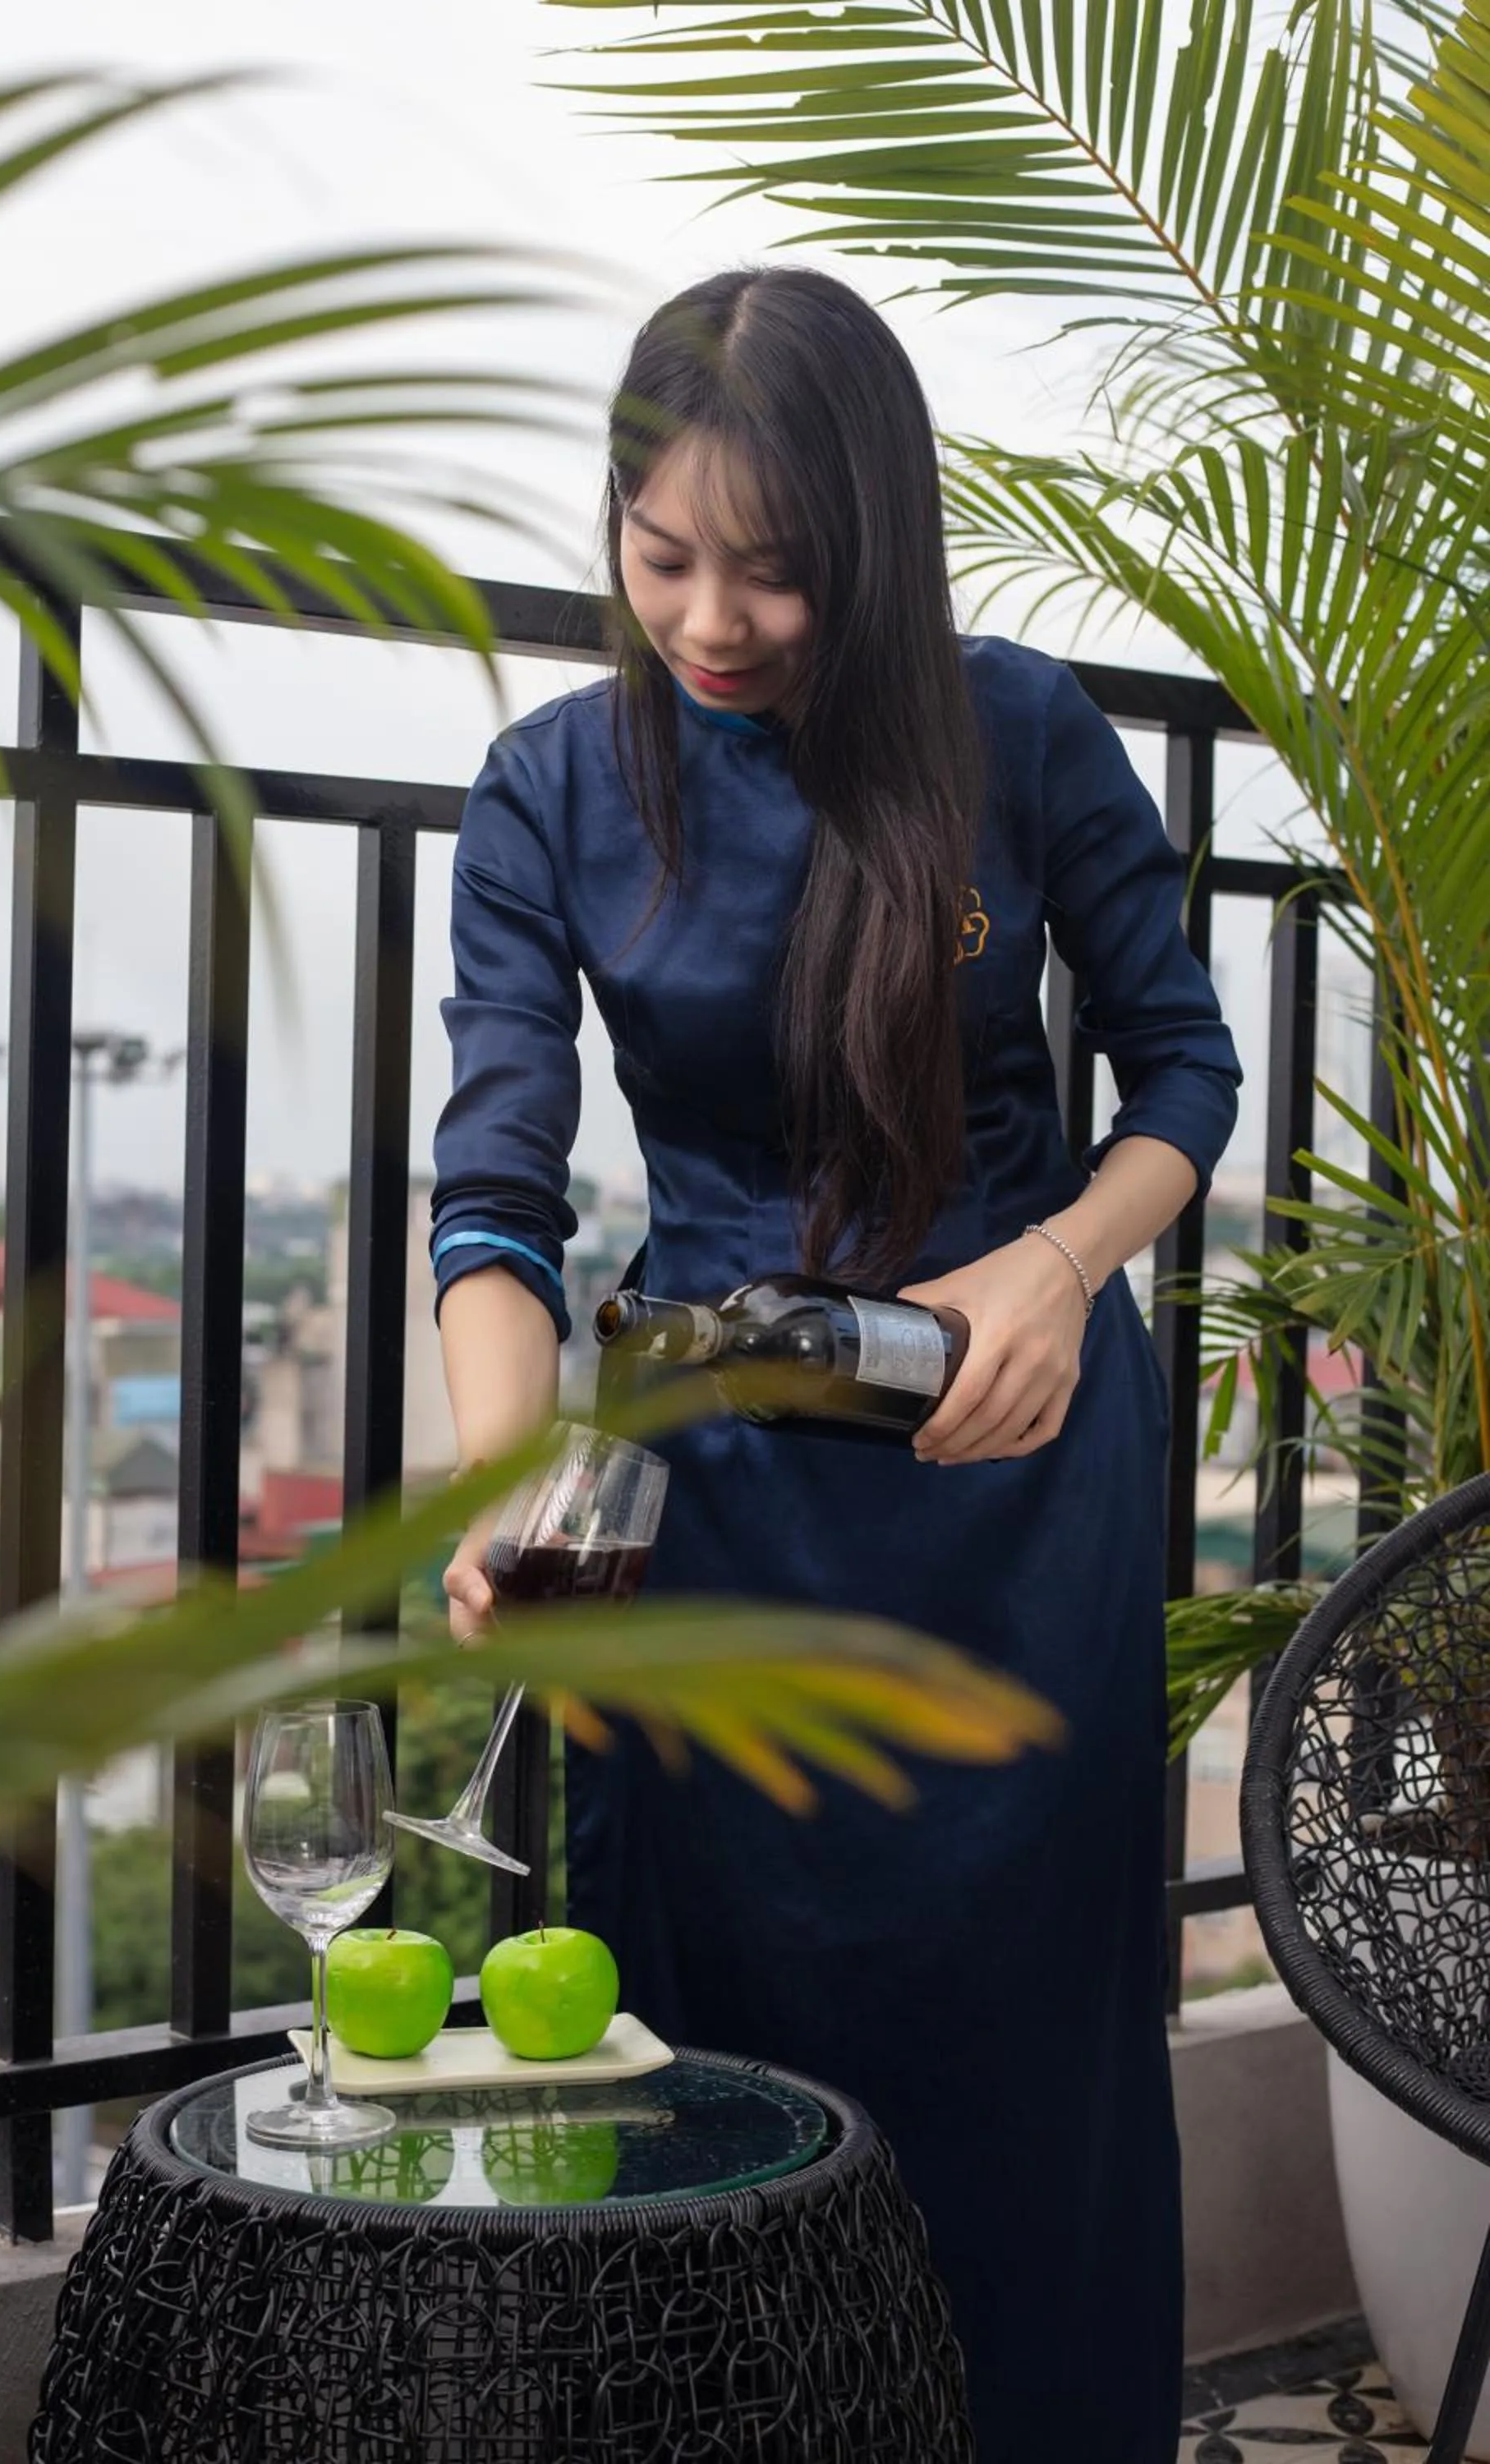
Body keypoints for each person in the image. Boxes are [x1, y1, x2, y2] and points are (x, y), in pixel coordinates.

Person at [429, 264, 1241, 2464]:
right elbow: (494, 1197)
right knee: (711, 2078)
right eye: (662, 551)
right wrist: (503, 1481)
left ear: (875, 540)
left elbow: (1184, 1073)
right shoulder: (545, 792)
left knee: (1022, 2081)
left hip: (1013, 1457)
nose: (711, 616)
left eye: (776, 570)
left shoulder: (1022, 733)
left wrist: (1060, 1266)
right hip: (718, 1500)